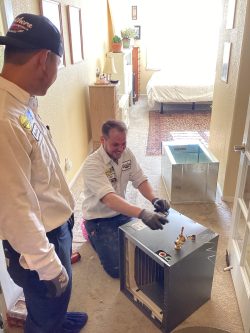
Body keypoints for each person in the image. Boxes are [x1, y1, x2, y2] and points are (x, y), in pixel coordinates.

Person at [0, 13, 87, 332]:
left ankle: (58, 320)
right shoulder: (5, 119)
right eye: (58, 66)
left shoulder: (21, 103)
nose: (55, 74)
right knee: (45, 305)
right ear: (44, 60)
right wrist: (49, 268)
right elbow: (14, 209)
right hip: (41, 240)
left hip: (54, 226)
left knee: (54, 305)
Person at [82, 119, 170, 278]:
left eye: (123, 144)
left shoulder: (127, 154)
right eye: (116, 145)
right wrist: (142, 213)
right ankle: (89, 232)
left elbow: (140, 179)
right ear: (103, 140)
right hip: (99, 219)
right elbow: (109, 199)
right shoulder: (92, 164)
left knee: (146, 249)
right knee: (117, 268)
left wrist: (154, 199)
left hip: (122, 212)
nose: (121, 149)